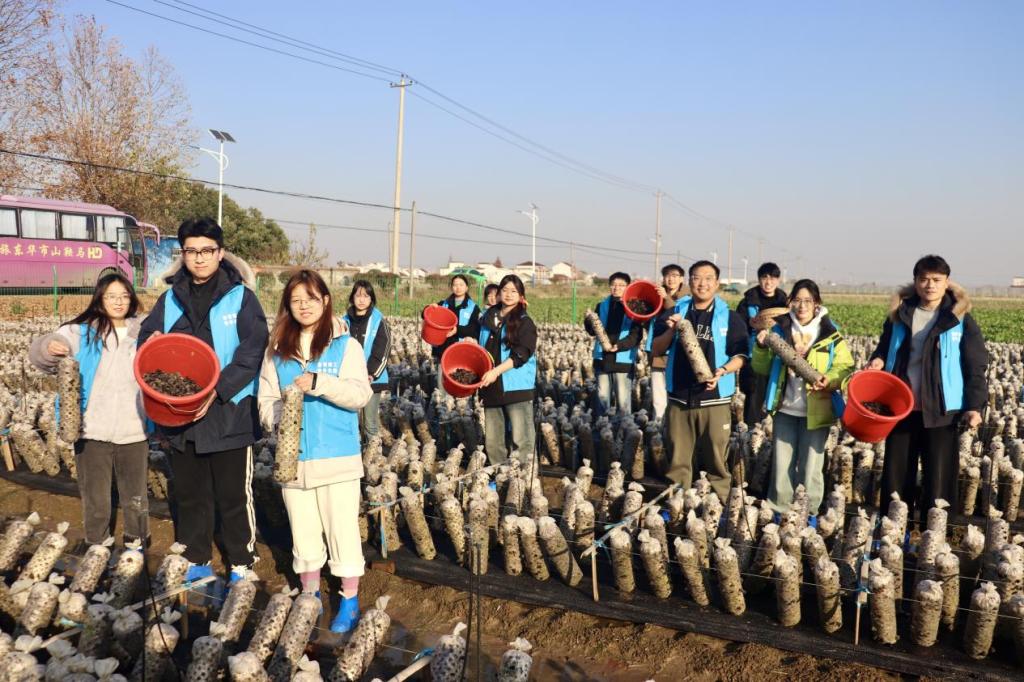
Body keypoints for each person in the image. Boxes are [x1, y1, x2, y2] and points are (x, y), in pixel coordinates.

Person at [138, 217, 268, 583]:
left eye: (207, 250)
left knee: (233, 494)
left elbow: (253, 350)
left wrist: (218, 389)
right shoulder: (169, 299)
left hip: (229, 411)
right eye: (191, 251)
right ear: (183, 254)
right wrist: (148, 343)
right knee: (191, 492)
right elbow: (148, 339)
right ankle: (197, 557)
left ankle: (241, 560)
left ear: (220, 253)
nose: (199, 258)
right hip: (181, 413)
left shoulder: (241, 298)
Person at [258, 269, 372, 633]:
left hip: (337, 456)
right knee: (303, 529)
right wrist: (281, 417)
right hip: (293, 459)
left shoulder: (345, 346)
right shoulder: (277, 350)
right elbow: (266, 399)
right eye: (295, 300)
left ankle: (349, 600)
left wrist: (321, 383)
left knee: (342, 529)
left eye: (310, 298)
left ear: (325, 300)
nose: (303, 306)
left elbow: (360, 394)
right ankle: (310, 596)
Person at [29, 273, 149, 547]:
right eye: (111, 296)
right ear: (100, 299)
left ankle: (137, 543)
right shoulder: (80, 331)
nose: (118, 302)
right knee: (96, 495)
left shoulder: (143, 331)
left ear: (131, 299)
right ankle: (97, 544)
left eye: (124, 296)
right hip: (91, 428)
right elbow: (42, 352)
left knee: (136, 495)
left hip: (135, 427)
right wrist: (49, 348)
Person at [868, 255, 987, 525]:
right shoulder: (900, 314)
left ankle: (935, 534)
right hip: (902, 407)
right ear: (915, 282)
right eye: (923, 279)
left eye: (936, 280)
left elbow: (975, 365)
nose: (929, 285)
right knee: (897, 475)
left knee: (939, 478)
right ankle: (894, 532)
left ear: (947, 282)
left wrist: (974, 406)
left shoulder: (959, 319)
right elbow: (884, 347)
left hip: (942, 410)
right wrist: (878, 359)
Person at [752, 279, 854, 517]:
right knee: (782, 463)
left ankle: (809, 513)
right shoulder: (779, 330)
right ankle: (779, 510)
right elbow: (761, 367)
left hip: (817, 409)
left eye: (808, 300)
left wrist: (829, 379)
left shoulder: (830, 333)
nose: (802, 306)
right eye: (797, 300)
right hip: (785, 407)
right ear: (790, 302)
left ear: (817, 303)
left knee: (811, 466)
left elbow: (845, 367)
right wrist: (761, 348)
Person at [651, 260, 748, 502]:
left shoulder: (730, 317)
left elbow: (741, 356)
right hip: (680, 398)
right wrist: (672, 330)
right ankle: (676, 505)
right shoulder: (674, 312)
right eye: (696, 278)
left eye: (708, 278)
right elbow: (656, 349)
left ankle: (721, 503)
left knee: (717, 458)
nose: (702, 283)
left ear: (717, 283)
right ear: (689, 281)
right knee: (678, 458)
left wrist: (722, 371)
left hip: (715, 399)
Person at [479, 275, 538, 467]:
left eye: (514, 291)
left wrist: (496, 371)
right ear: (498, 293)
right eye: (505, 290)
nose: (509, 294)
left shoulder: (525, 322)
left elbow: (522, 353)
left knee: (522, 440)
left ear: (521, 296)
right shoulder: (487, 319)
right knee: (493, 441)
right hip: (491, 386)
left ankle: (524, 479)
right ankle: (500, 477)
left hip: (515, 386)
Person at [584, 272, 643, 415]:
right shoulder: (601, 306)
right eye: (613, 285)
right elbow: (592, 331)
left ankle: (624, 426)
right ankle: (602, 426)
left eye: (621, 285)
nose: (616, 288)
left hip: (623, 360)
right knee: (602, 398)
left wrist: (619, 346)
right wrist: (588, 320)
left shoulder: (634, 307)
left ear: (628, 287)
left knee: (623, 401)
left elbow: (636, 335)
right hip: (602, 358)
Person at [737, 262, 788, 427]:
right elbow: (739, 330)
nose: (768, 282)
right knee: (754, 398)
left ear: (778, 280)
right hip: (754, 357)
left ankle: (773, 432)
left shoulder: (785, 303)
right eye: (765, 278)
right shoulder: (747, 303)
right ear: (759, 279)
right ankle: (751, 431)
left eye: (772, 278)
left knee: (778, 396)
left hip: (779, 358)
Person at [342, 280, 392, 441]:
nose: (362, 300)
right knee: (350, 422)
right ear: (352, 298)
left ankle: (373, 454)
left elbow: (383, 349)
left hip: (372, 378)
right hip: (349, 378)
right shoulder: (344, 321)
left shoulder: (378, 320)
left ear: (371, 299)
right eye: (358, 296)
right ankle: (355, 452)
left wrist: (370, 374)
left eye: (366, 296)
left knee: (369, 423)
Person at [426, 274, 481, 396]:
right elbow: (426, 314)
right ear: (451, 287)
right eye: (455, 285)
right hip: (444, 349)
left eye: (461, 285)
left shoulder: (473, 307)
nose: (458, 287)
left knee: (461, 381)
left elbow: (475, 329)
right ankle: (443, 403)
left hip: (462, 351)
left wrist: (457, 330)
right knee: (443, 383)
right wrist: (429, 307)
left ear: (467, 287)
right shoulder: (443, 304)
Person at [649, 264, 686, 420]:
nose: (671, 279)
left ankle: (675, 424)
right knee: (658, 395)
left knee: (677, 394)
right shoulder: (655, 295)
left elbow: (679, 313)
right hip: (658, 351)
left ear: (682, 279)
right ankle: (658, 425)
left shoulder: (687, 298)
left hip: (679, 352)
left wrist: (666, 298)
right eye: (668, 276)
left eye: (675, 276)